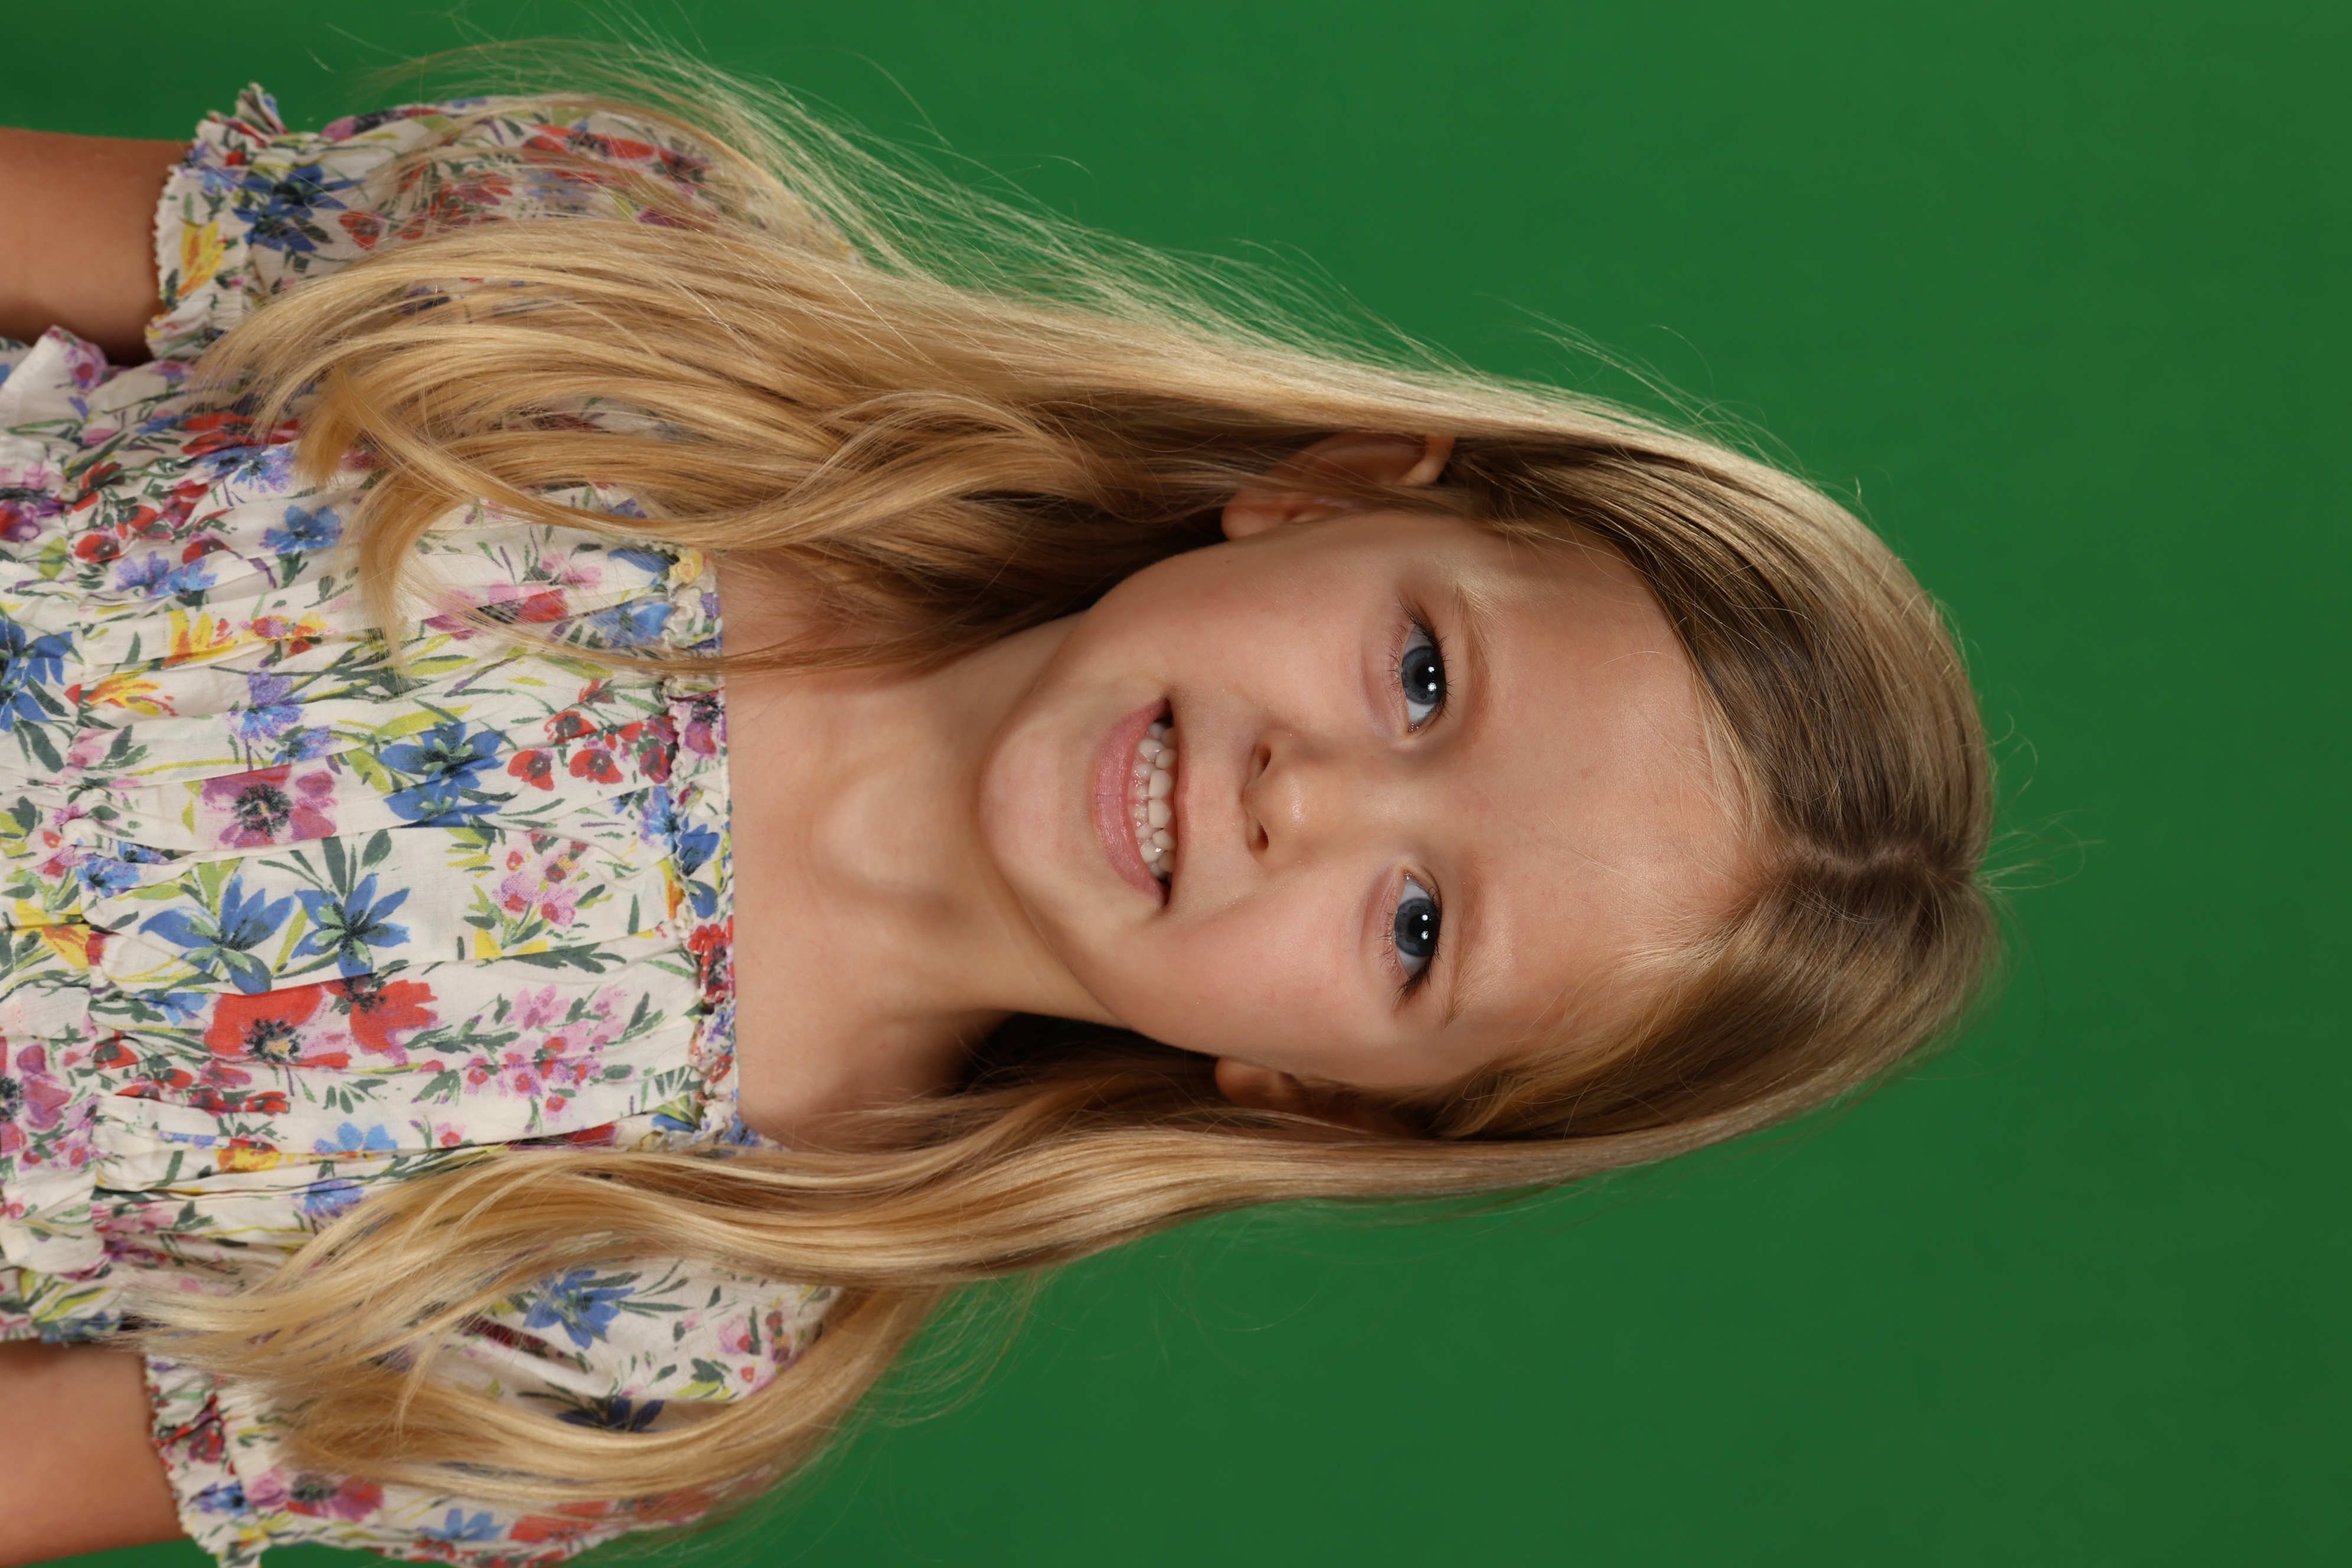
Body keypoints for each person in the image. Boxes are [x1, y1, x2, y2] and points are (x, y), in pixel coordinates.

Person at [0, 44, 1994, 1568]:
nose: (1307, 798)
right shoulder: (661, 310)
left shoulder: (675, 1327)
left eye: (1418, 928)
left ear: (1331, 1100)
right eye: (1420, 677)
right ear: (1331, 490)